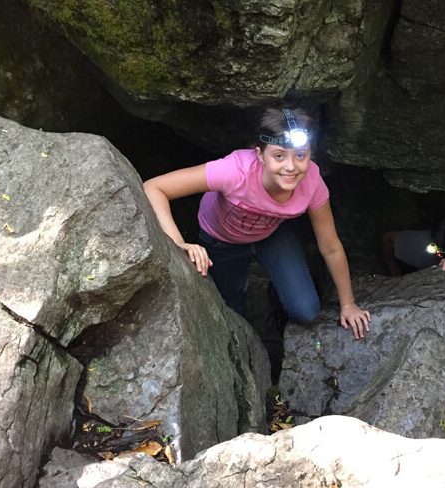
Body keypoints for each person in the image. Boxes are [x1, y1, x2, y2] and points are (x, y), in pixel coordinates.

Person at [143, 107, 371, 342]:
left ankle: (277, 297)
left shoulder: (312, 182)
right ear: (260, 155)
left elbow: (331, 246)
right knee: (232, 313)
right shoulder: (234, 172)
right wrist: (178, 243)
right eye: (279, 156)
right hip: (222, 240)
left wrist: (348, 304)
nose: (291, 166)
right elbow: (154, 188)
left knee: (306, 311)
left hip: (272, 234)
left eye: (301, 155)